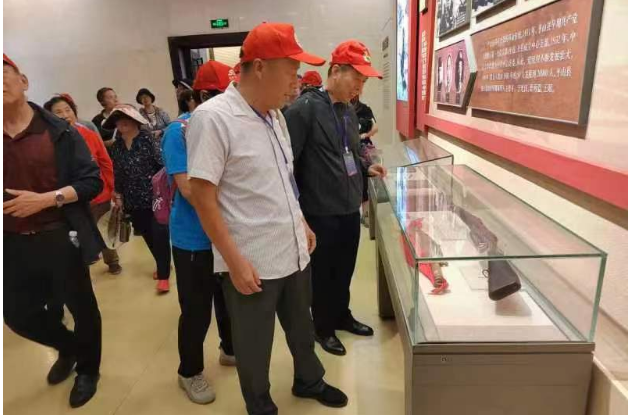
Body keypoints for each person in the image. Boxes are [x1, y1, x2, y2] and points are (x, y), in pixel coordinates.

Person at [186, 22, 348, 415]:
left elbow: (284, 178)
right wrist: (234, 261)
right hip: (251, 260)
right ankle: (259, 404)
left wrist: (302, 222)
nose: (296, 82)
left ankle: (309, 380)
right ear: (259, 67)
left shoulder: (275, 116)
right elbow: (203, 197)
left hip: (292, 249)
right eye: (291, 71)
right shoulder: (214, 118)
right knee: (254, 343)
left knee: (301, 327)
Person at [3, 54, 102, 408]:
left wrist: (46, 199)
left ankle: (88, 370)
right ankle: (70, 347)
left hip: (60, 234)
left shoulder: (60, 131)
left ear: (23, 81)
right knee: (17, 313)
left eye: (3, 72)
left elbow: (91, 181)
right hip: (12, 241)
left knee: (81, 307)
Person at [284, 40, 387, 356]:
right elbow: (287, 164)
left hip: (348, 207)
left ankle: (342, 315)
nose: (360, 87)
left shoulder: (347, 111)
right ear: (336, 70)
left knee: (344, 268)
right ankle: (323, 327)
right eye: (357, 78)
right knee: (323, 274)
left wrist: (366, 168)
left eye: (364, 82)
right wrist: (297, 215)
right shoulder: (304, 109)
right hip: (319, 210)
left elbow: (349, 153)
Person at [162, 60, 236, 405]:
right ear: (197, 96)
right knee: (196, 309)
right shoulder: (178, 132)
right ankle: (189, 371)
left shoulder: (229, 124)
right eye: (214, 95)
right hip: (193, 238)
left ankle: (230, 349)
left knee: (229, 300)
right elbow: (190, 190)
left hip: (226, 233)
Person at [44, 94, 121, 275]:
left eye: (68, 110)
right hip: (71, 200)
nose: (65, 115)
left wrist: (113, 189)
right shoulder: (47, 141)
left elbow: (105, 162)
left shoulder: (89, 134)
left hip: (99, 194)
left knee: (103, 230)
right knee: (78, 234)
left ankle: (112, 261)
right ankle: (83, 263)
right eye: (58, 112)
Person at [105, 104, 172, 293]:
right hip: (132, 200)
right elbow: (118, 172)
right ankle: (162, 262)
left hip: (155, 197)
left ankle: (164, 275)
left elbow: (162, 165)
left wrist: (167, 190)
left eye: (126, 119)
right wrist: (118, 195)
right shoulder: (116, 146)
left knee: (159, 234)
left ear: (135, 121)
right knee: (147, 234)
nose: (122, 123)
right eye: (118, 120)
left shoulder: (147, 139)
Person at [351, 91, 379, 228]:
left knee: (366, 181)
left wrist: (364, 135)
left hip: (364, 149)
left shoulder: (364, 108)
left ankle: (366, 214)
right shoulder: (339, 108)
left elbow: (375, 127)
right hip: (350, 151)